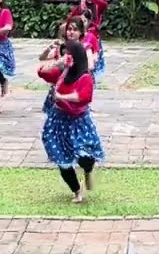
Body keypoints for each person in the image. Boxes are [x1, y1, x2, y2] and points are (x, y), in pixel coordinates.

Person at [37, 40, 104, 204]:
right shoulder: (61, 73)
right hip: (57, 121)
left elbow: (83, 97)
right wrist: (58, 63)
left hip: (78, 122)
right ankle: (76, 191)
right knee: (62, 159)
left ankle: (88, 170)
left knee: (86, 156)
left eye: (69, 54)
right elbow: (41, 71)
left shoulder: (85, 76)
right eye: (65, 53)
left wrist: (62, 97)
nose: (67, 57)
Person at [67, 0, 108, 79]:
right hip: (83, 38)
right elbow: (70, 20)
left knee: (95, 58)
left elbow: (105, 4)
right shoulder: (78, 8)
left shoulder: (97, 6)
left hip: (93, 37)